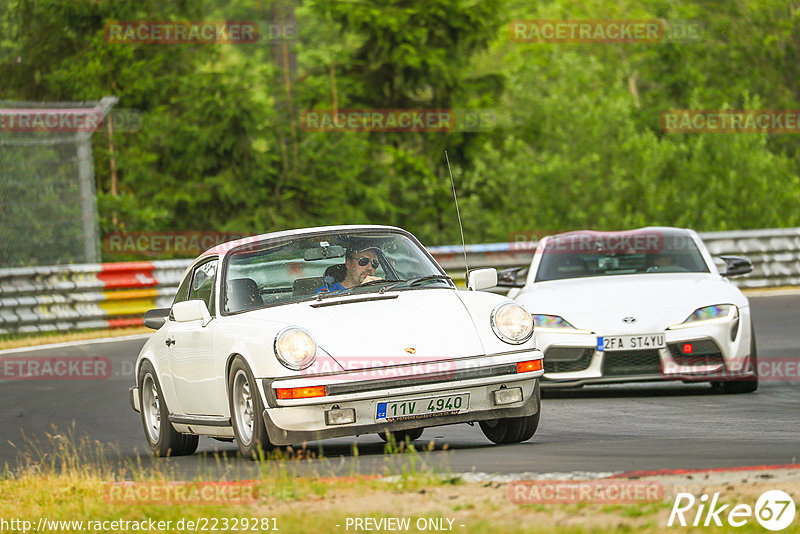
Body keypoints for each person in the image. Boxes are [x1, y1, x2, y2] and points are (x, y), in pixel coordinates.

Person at [316, 247, 383, 293]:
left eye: (375, 263)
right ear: (348, 263)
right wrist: (361, 290)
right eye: (363, 261)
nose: (370, 267)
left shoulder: (381, 290)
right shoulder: (327, 291)